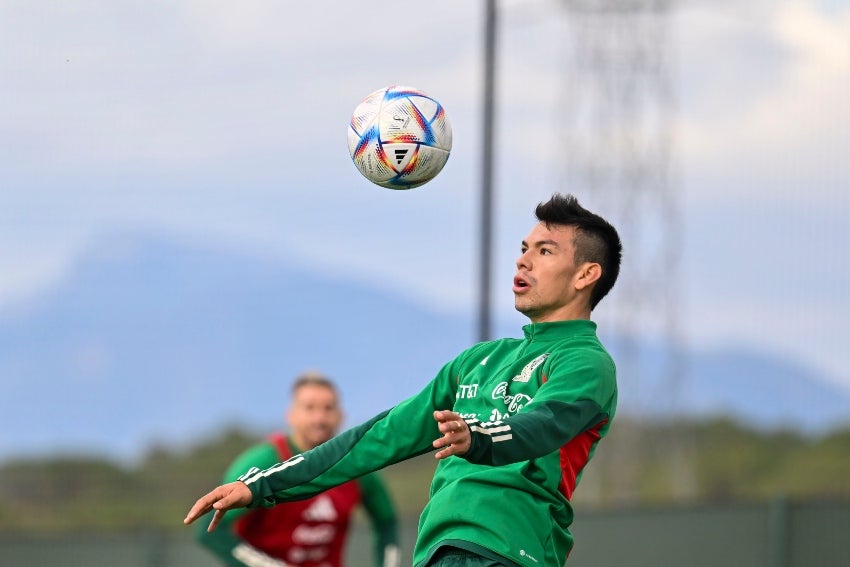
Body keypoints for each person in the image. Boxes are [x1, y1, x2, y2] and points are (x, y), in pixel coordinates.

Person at [185, 193, 623, 567]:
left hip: (508, 551)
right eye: (524, 247)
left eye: (544, 251)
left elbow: (544, 425)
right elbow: (378, 437)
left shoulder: (585, 362)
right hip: (436, 552)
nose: (522, 259)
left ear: (586, 274)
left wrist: (478, 436)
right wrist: (259, 485)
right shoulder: (479, 360)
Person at [195, 371, 401, 567]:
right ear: (291, 415)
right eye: (310, 408)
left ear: (341, 415)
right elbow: (209, 531)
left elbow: (387, 521)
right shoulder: (264, 461)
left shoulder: (355, 464)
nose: (319, 418)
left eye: (328, 408)